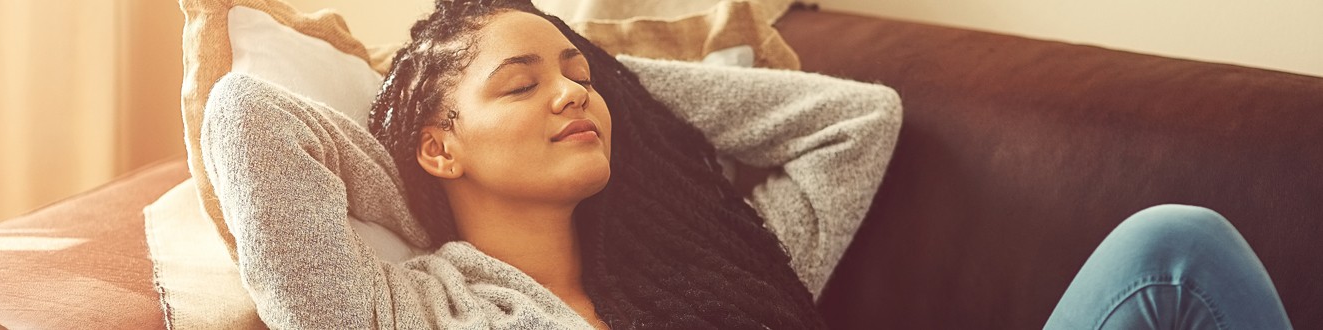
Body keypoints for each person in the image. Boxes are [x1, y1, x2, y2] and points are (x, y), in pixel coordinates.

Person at [201, 0, 1291, 329]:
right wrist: (418, 168)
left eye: (580, 76)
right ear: (440, 142)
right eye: (522, 82)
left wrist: (611, 78)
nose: (571, 91)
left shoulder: (714, 265)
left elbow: (855, 121)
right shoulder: (402, 307)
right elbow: (253, 113)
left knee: (1173, 251)